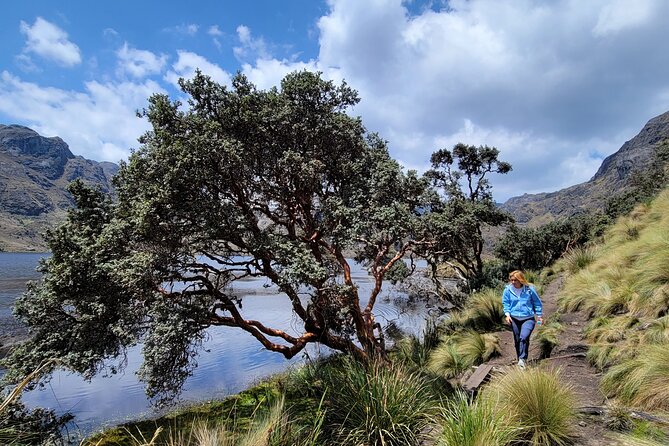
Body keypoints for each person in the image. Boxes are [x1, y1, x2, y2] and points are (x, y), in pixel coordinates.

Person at [502, 270, 543, 369]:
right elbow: (506, 303)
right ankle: (520, 359)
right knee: (517, 339)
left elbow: (537, 302)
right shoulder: (508, 290)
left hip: (528, 318)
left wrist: (539, 316)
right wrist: (507, 315)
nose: (513, 282)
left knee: (523, 337)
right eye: (511, 280)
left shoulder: (529, 289)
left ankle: (522, 359)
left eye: (515, 280)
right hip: (514, 319)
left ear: (520, 280)